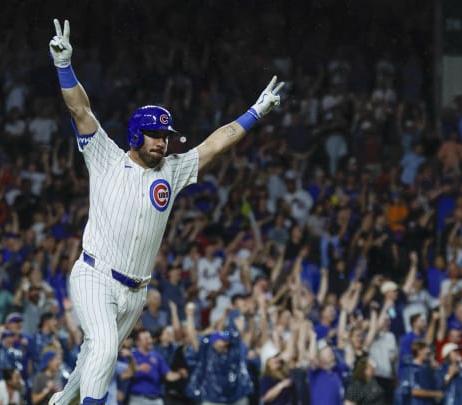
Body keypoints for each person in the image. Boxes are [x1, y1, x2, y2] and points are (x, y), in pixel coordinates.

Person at [46, 18, 284, 405]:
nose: (163, 143)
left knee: (91, 362)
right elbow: (80, 110)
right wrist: (64, 66)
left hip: (137, 290)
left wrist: (254, 113)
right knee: (104, 348)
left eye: (167, 137)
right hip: (96, 275)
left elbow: (214, 143)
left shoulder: (172, 171)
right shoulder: (105, 155)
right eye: (157, 135)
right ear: (138, 134)